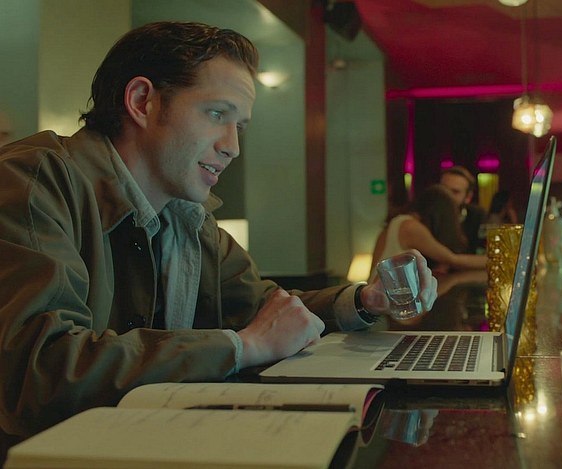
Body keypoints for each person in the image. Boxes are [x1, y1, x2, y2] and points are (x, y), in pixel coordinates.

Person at [0, 21, 437, 442]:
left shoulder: (189, 217)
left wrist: (364, 300)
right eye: (216, 114)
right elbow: (38, 372)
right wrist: (240, 348)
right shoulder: (33, 180)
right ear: (142, 101)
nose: (232, 147)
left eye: (239, 127)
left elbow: (268, 314)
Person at [370, 184, 487, 278]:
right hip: (383, 294)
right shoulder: (410, 227)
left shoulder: (401, 221)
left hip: (380, 291)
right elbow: (453, 259)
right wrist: (492, 260)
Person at [439, 165, 487, 254]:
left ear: (468, 197)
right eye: (443, 190)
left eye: (455, 192)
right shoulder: (427, 217)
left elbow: (483, 255)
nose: (447, 196)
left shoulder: (477, 216)